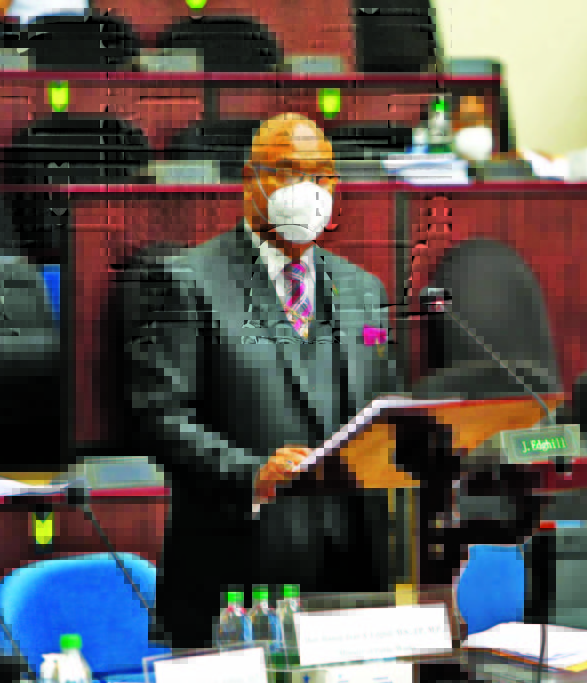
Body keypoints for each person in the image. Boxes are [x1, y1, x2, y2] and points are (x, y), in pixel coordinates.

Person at [121, 113, 402, 649]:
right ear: (250, 180)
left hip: (353, 568)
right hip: (238, 566)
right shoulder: (186, 281)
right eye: (288, 171)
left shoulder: (364, 291)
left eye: (321, 176)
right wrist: (252, 473)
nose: (308, 189)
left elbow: (384, 403)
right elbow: (157, 416)